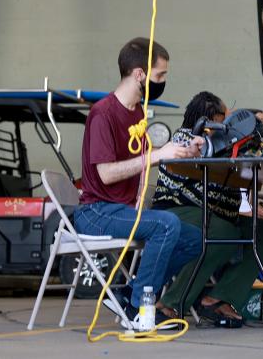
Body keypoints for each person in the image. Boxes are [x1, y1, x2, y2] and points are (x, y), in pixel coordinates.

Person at [73, 38, 203, 327]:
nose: (163, 81)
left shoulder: (137, 112)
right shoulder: (102, 113)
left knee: (194, 239)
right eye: (160, 75)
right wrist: (157, 155)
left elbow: (145, 158)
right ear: (139, 74)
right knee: (166, 223)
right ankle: (137, 309)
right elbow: (106, 174)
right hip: (96, 212)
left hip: (121, 210)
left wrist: (181, 151)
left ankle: (131, 294)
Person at [152, 91, 263, 328]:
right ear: (210, 118)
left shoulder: (225, 144)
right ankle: (170, 304)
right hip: (177, 210)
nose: (229, 123)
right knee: (222, 233)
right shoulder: (186, 139)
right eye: (225, 117)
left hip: (215, 216)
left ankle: (219, 299)